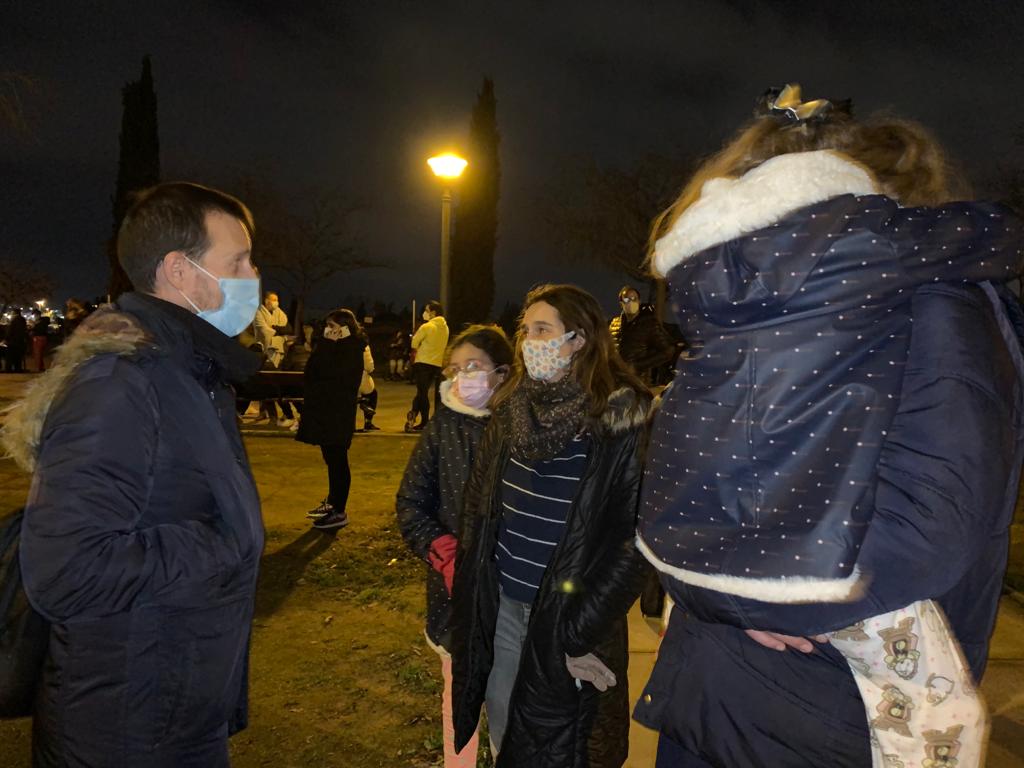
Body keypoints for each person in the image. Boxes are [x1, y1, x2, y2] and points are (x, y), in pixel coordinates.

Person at [635, 84, 1024, 767]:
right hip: (830, 706)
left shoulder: (742, 313)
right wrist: (768, 602)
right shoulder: (937, 300)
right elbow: (935, 524)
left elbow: (680, 497)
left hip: (728, 689)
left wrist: (726, 593)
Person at [2, 181, 264, 766]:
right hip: (124, 730)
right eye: (239, 260)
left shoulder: (189, 369)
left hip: (174, 707)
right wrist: (223, 545)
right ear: (179, 269)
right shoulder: (120, 383)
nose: (253, 274)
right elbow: (63, 570)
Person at [451, 284, 653, 767]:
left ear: (579, 339)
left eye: (543, 330)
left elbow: (634, 541)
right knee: (505, 733)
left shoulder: (622, 416)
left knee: (562, 748)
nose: (528, 341)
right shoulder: (512, 404)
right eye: (526, 330)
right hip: (503, 607)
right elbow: (480, 508)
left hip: (564, 622)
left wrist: (578, 632)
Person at [397, 324, 514, 767]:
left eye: (474, 366)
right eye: (455, 367)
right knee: (460, 697)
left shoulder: (525, 429)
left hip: (513, 598)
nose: (463, 376)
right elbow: (410, 502)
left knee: (510, 699)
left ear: (502, 373)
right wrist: (442, 551)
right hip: (455, 597)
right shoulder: (441, 427)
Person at [297, 309, 371, 529]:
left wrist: (328, 346)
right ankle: (332, 503)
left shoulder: (352, 348)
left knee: (338, 460)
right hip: (325, 411)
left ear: (346, 327)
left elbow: (334, 375)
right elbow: (311, 371)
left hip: (338, 412)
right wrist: (326, 345)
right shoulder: (331, 346)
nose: (328, 330)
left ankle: (339, 510)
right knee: (331, 459)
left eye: (333, 326)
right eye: (327, 326)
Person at [607, 285, 675, 384]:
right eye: (626, 300)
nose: (630, 302)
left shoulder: (649, 324)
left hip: (636, 382)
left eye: (634, 299)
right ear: (621, 304)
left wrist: (637, 366)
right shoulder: (614, 324)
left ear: (639, 301)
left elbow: (669, 350)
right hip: (614, 380)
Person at [406, 300, 449, 432]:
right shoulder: (445, 328)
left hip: (423, 363)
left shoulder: (427, 326)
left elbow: (414, 342)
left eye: (427, 310)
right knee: (422, 393)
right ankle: (414, 415)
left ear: (433, 313)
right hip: (436, 364)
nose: (425, 313)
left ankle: (424, 421)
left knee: (422, 393)